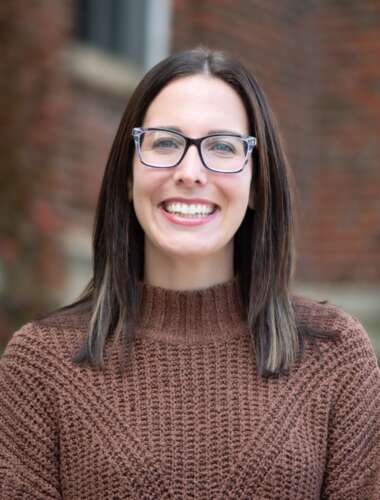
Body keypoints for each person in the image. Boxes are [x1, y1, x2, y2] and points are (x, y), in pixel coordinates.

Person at [0, 46, 379, 499]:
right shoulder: (42, 364)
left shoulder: (334, 355)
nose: (190, 171)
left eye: (221, 146)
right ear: (128, 174)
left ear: (257, 181)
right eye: (165, 142)